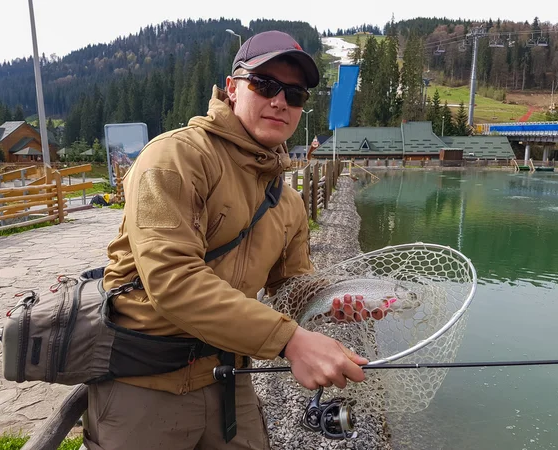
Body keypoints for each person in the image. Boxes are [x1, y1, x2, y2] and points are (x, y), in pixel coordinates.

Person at [83, 30, 375, 450]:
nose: (280, 101)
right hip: (144, 381)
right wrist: (291, 341)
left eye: (294, 94)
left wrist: (334, 301)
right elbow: (173, 282)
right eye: (265, 84)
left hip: (230, 379)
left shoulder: (289, 202)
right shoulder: (176, 158)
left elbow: (290, 289)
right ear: (233, 87)